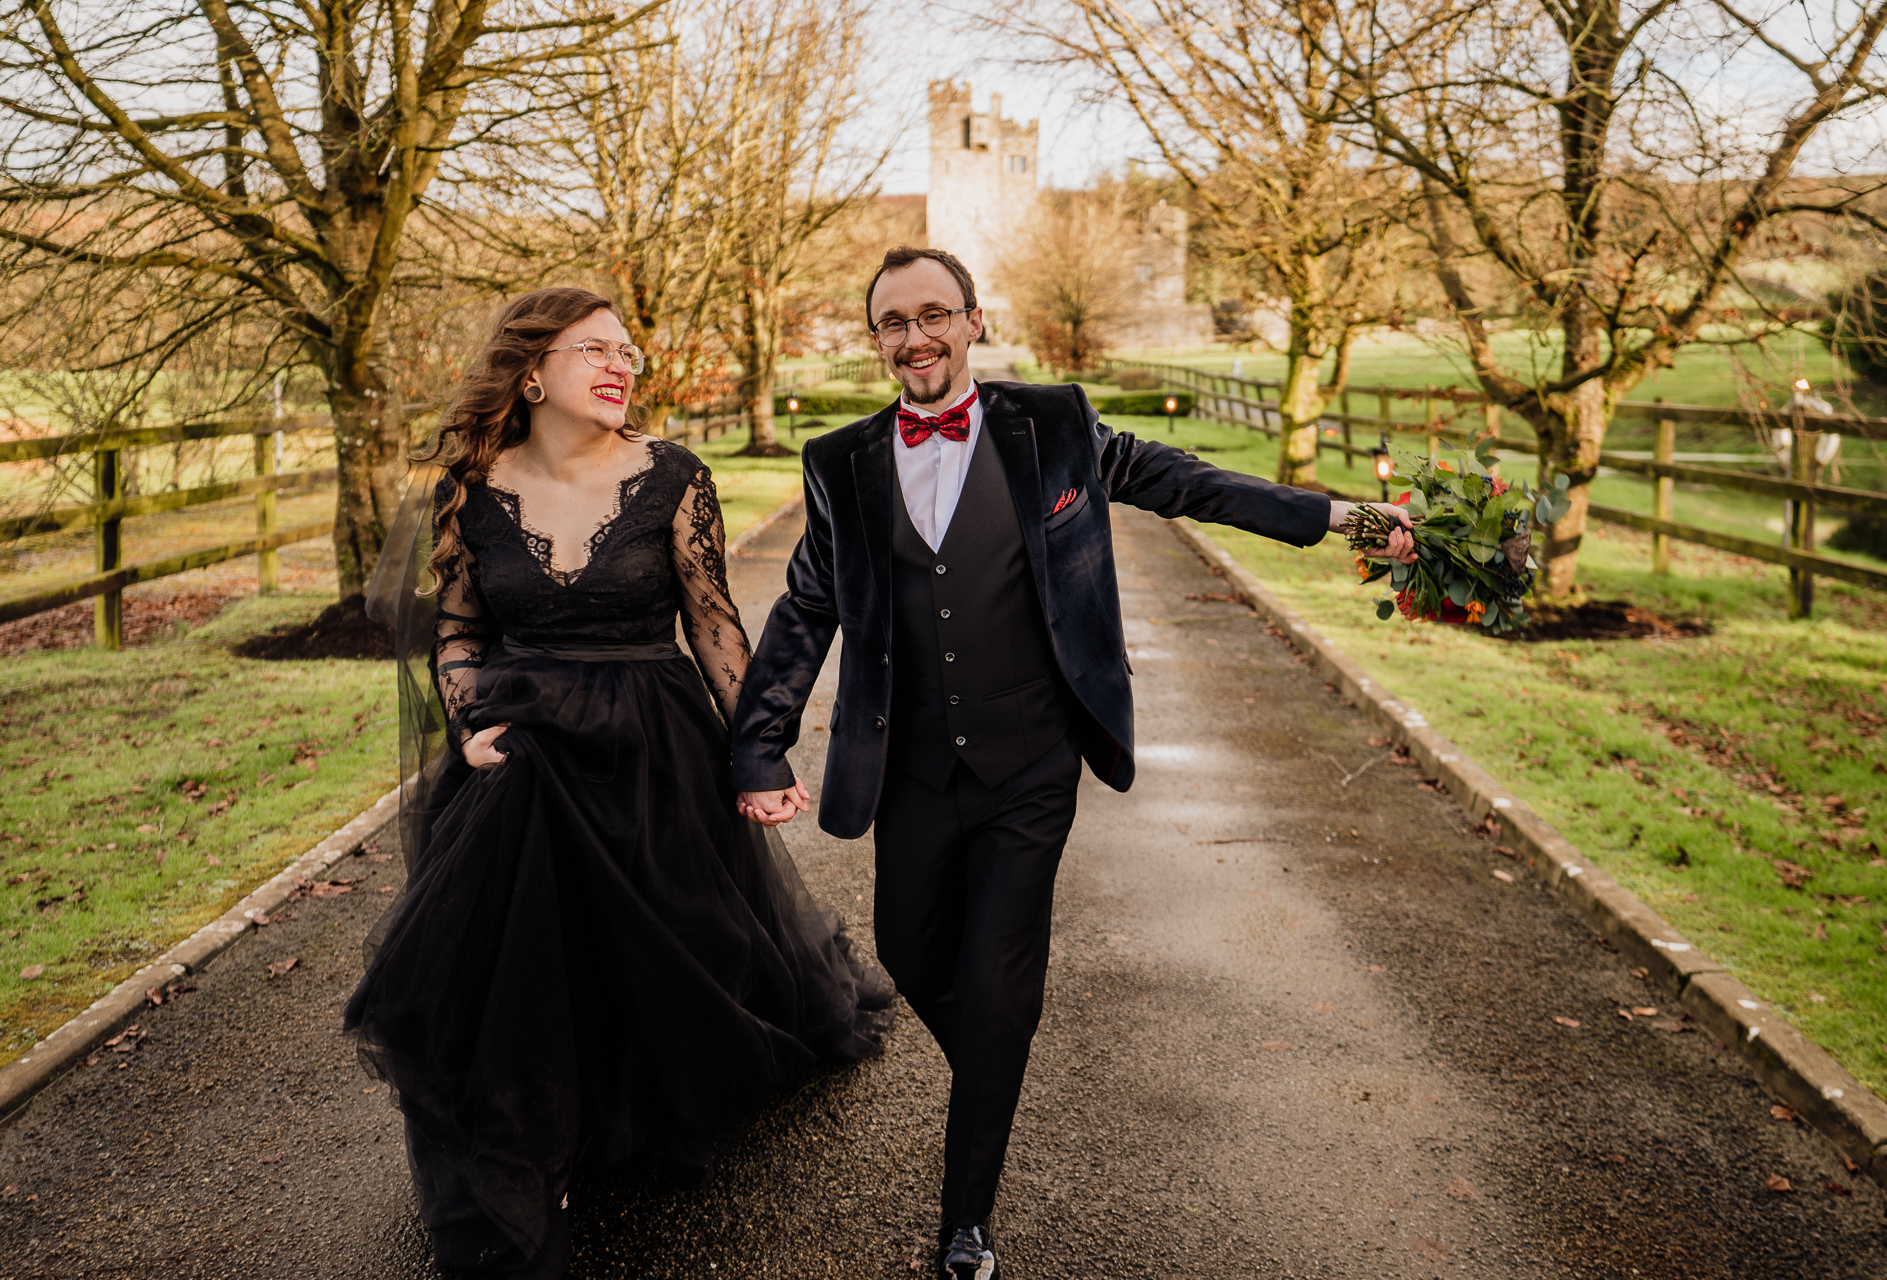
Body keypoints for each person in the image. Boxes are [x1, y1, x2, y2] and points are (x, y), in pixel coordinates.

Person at [730, 247, 1415, 1279]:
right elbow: (806, 609)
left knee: (997, 976)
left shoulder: (1054, 424)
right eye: (891, 322)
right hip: (910, 761)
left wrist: (1346, 518)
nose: (914, 338)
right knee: (911, 953)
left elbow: (1185, 482)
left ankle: (965, 1223)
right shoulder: (839, 461)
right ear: (876, 338)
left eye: (933, 315)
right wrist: (758, 737)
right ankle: (993, 1078)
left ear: (972, 321)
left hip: (1032, 760)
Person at [349, 286, 894, 1279]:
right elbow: (464, 631)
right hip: (522, 743)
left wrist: (759, 748)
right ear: (530, 372)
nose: (621, 364)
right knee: (522, 956)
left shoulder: (672, 474)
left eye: (627, 349)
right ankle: (533, 1140)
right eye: (593, 348)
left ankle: (625, 1104)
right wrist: (471, 723)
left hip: (654, 739)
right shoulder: (471, 488)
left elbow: (715, 624)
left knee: (655, 947)